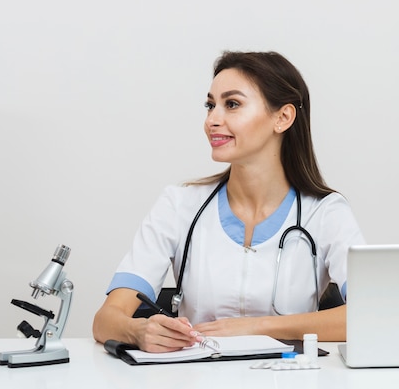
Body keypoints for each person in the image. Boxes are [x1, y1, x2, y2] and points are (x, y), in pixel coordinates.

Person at [93, 51, 365, 353]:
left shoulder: (325, 212)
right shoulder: (179, 205)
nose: (213, 119)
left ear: (283, 117)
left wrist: (257, 327)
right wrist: (138, 330)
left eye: (232, 104)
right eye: (211, 105)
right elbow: (106, 320)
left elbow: (372, 313)